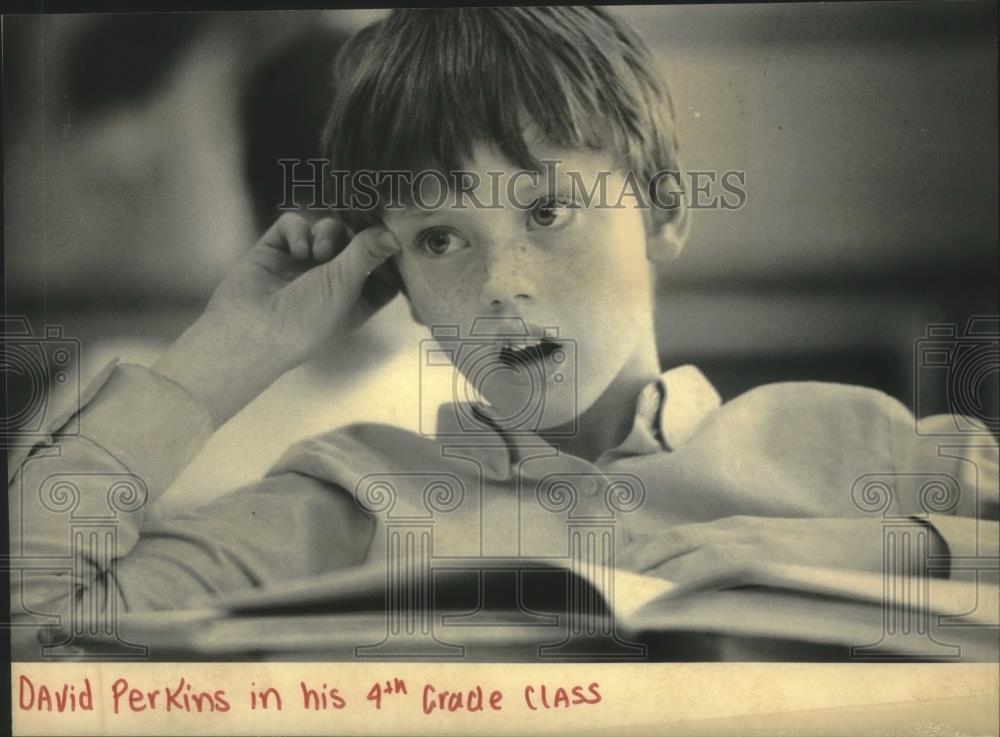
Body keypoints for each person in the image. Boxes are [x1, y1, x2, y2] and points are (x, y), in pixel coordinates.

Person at [8, 7, 997, 644]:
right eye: (439, 238)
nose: (501, 284)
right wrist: (223, 360)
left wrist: (892, 549)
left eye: (546, 210)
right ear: (385, 266)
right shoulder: (343, 501)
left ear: (660, 209)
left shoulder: (875, 455)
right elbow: (33, 621)